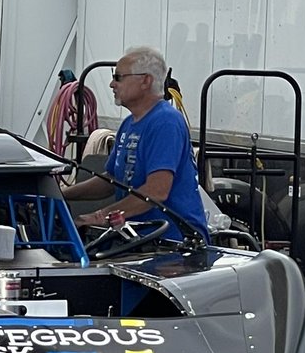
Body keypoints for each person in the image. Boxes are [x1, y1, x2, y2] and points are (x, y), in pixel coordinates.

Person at [63, 46, 209, 242]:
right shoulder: (128, 124)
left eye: (118, 77)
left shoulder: (166, 122)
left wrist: (99, 216)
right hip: (137, 237)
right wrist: (61, 194)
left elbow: (156, 192)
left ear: (145, 81)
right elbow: (112, 181)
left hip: (172, 243)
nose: (111, 84)